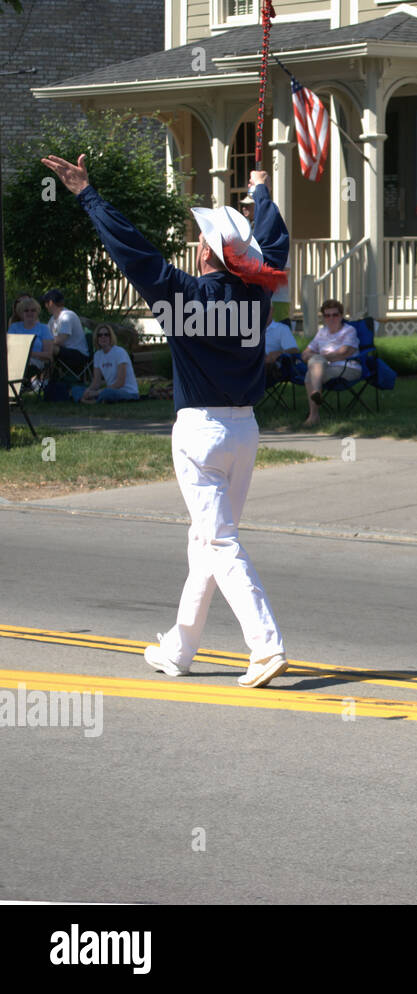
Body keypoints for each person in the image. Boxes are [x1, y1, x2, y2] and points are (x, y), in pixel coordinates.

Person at [43, 152, 290, 690]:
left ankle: (266, 646)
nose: (195, 241)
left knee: (218, 541)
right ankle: (179, 649)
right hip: (245, 430)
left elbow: (134, 252)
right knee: (206, 541)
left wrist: (88, 195)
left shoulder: (183, 296)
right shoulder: (258, 295)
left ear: (207, 251)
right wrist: (263, 195)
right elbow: (276, 245)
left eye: (200, 237)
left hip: (200, 432)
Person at [301, 300, 361, 427]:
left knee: (310, 373)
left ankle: (313, 415)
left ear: (341, 316)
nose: (331, 318)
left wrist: (319, 357)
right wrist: (320, 357)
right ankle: (316, 396)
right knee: (314, 365)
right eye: (327, 315)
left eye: (335, 315)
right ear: (323, 318)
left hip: (348, 367)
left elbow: (344, 352)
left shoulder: (349, 331)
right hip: (326, 367)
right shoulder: (321, 332)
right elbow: (305, 354)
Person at [72, 324, 139, 403]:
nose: (103, 337)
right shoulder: (97, 355)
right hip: (110, 390)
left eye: (106, 335)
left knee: (107, 393)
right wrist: (89, 390)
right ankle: (91, 399)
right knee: (75, 389)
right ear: (96, 338)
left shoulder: (120, 352)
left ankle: (89, 400)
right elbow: (96, 381)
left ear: (111, 337)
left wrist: (97, 392)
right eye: (100, 335)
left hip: (127, 392)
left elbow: (120, 382)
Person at [41, 289, 89, 380]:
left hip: (79, 356)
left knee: (51, 348)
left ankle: (45, 379)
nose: (45, 306)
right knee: (43, 348)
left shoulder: (67, 316)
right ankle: (40, 379)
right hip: (65, 353)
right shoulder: (53, 319)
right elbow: (46, 336)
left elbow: (60, 340)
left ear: (51, 303)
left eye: (46, 303)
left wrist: (44, 342)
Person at [8, 294, 54, 389]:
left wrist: (28, 354)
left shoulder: (44, 328)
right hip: (15, 361)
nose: (30, 313)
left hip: (36, 362)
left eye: (33, 310)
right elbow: (9, 348)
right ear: (21, 313)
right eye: (26, 310)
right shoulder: (14, 327)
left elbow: (48, 355)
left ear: (37, 312)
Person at [263, 309, 300, 387]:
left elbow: (294, 350)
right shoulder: (247, 329)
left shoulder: (281, 329)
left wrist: (279, 353)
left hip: (269, 369)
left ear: (272, 310)